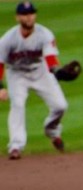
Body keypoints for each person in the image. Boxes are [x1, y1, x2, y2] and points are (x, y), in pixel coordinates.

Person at [0, 1, 68, 160]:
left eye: (31, 13)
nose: (29, 17)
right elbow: (0, 63)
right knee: (17, 104)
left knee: (61, 106)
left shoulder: (44, 34)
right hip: (17, 75)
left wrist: (56, 72)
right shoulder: (8, 39)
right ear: (18, 17)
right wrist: (1, 87)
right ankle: (16, 146)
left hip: (40, 72)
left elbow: (50, 58)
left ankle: (52, 131)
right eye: (24, 14)